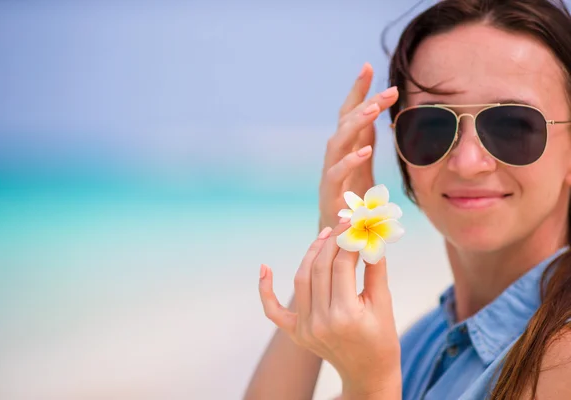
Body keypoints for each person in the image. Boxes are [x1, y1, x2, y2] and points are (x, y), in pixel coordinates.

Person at [244, 0, 571, 399]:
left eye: (513, 125)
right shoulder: (427, 341)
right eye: (433, 125)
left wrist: (370, 384)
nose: (468, 163)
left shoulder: (561, 359)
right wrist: (338, 228)